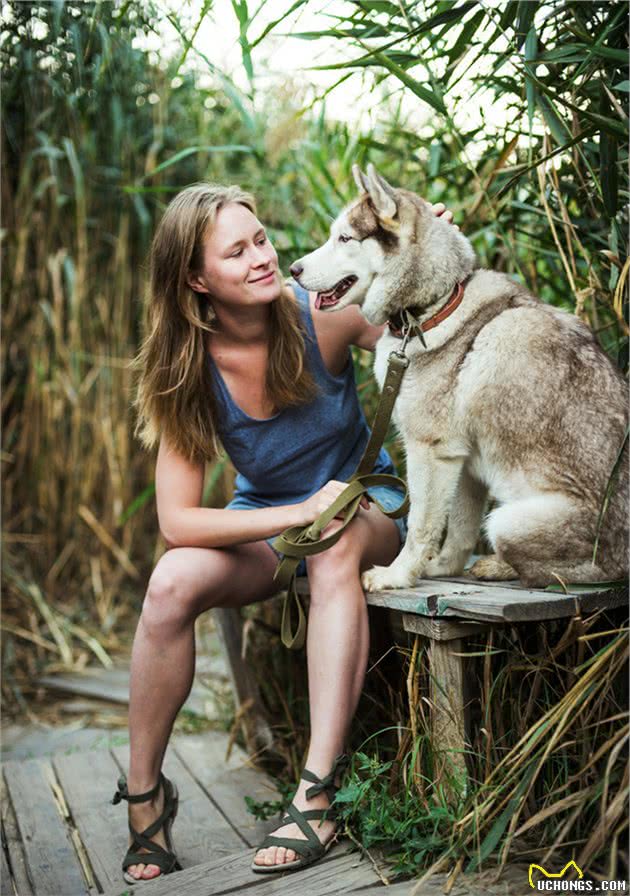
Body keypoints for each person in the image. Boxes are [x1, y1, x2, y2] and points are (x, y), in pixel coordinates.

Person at [113, 181, 454, 884]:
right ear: (196, 279)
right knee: (170, 581)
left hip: (367, 509)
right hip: (274, 519)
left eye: (260, 239)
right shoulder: (188, 367)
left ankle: (315, 794)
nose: (262, 258)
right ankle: (145, 797)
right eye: (235, 253)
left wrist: (422, 256)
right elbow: (178, 521)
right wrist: (294, 513)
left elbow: (423, 330)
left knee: (332, 549)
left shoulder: (321, 315)